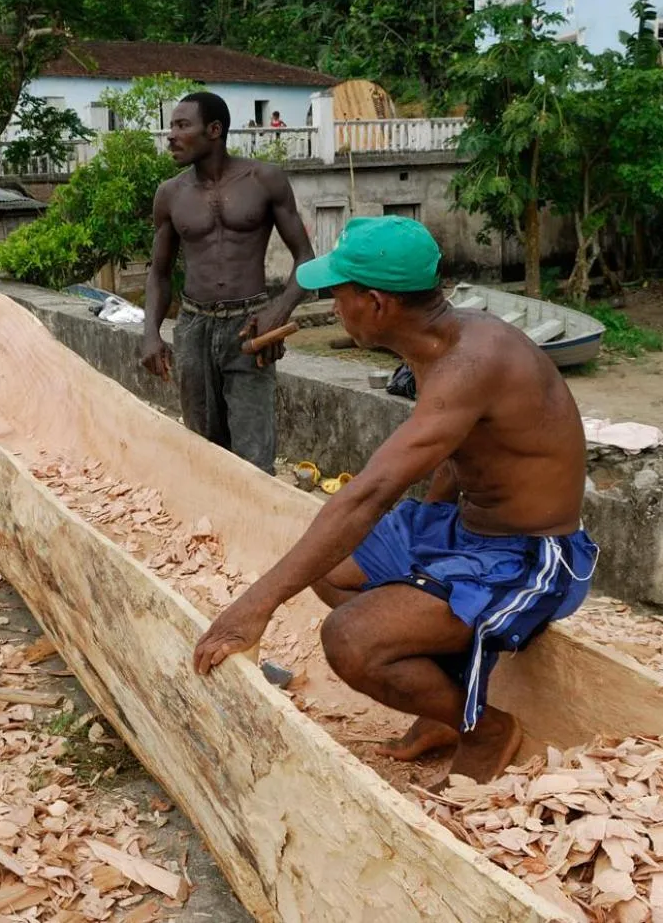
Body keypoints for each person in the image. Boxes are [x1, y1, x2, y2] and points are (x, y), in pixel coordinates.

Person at [191, 215, 597, 782]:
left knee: (351, 640)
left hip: (528, 554)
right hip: (467, 527)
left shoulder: (469, 362)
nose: (333, 306)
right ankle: (444, 707)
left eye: (339, 294)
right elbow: (463, 452)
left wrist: (254, 606)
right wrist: (429, 529)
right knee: (331, 566)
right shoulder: (438, 341)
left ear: (376, 304)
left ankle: (485, 728)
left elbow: (371, 495)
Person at [140, 91, 314, 475]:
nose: (171, 135)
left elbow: (306, 258)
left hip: (249, 326)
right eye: (172, 125)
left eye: (183, 125)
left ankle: (261, 532)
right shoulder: (170, 194)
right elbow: (159, 272)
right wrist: (151, 331)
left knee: (254, 455)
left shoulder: (263, 179)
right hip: (194, 326)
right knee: (204, 450)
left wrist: (278, 310)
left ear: (214, 130)